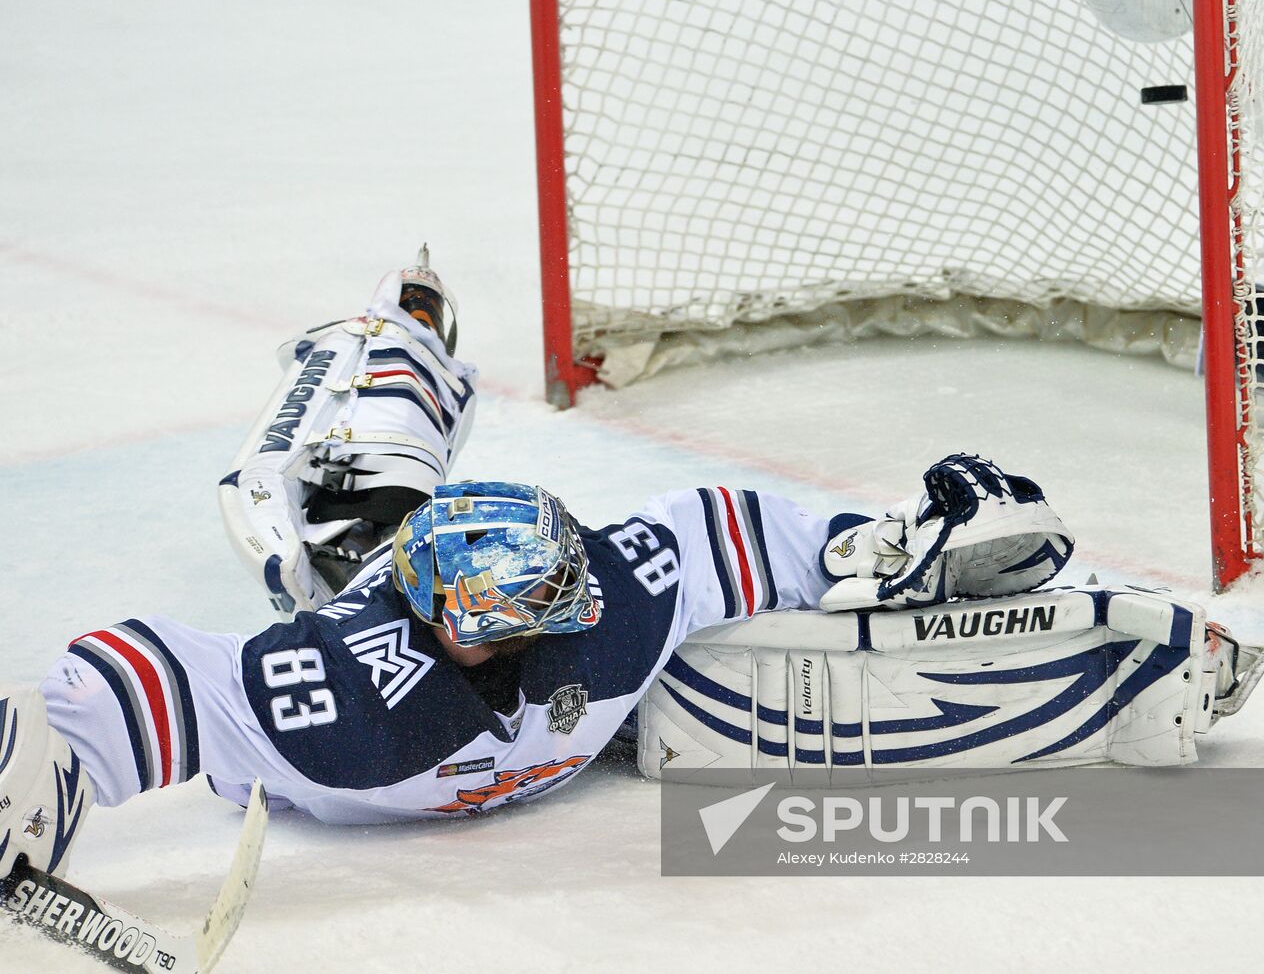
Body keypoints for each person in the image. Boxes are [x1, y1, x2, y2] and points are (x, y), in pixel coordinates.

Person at [0, 249, 1083, 882]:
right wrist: (46, 759)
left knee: (392, 516)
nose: (566, 609)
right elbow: (159, 674)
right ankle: (389, 344)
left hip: (430, 596)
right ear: (449, 619)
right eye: (533, 599)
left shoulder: (604, 602)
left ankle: (403, 361)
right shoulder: (342, 698)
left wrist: (874, 545)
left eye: (559, 586)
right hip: (358, 638)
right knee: (334, 514)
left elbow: (719, 529)